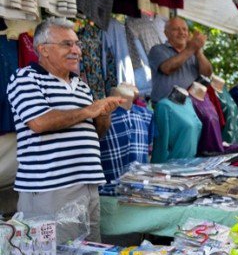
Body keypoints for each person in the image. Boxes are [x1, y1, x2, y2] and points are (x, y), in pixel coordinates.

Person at [7, 18, 124, 242]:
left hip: (87, 184)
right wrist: (89, 110)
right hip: (51, 189)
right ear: (43, 49)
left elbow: (93, 135)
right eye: (66, 44)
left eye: (76, 44)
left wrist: (103, 115)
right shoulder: (25, 78)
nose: (76, 50)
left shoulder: (81, 85)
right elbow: (39, 122)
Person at [148, 17, 213, 104]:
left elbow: (207, 74)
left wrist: (198, 52)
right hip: (165, 107)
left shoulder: (194, 51)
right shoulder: (157, 49)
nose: (181, 32)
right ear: (166, 33)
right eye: (175, 29)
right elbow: (167, 69)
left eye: (184, 29)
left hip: (191, 107)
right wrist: (191, 49)